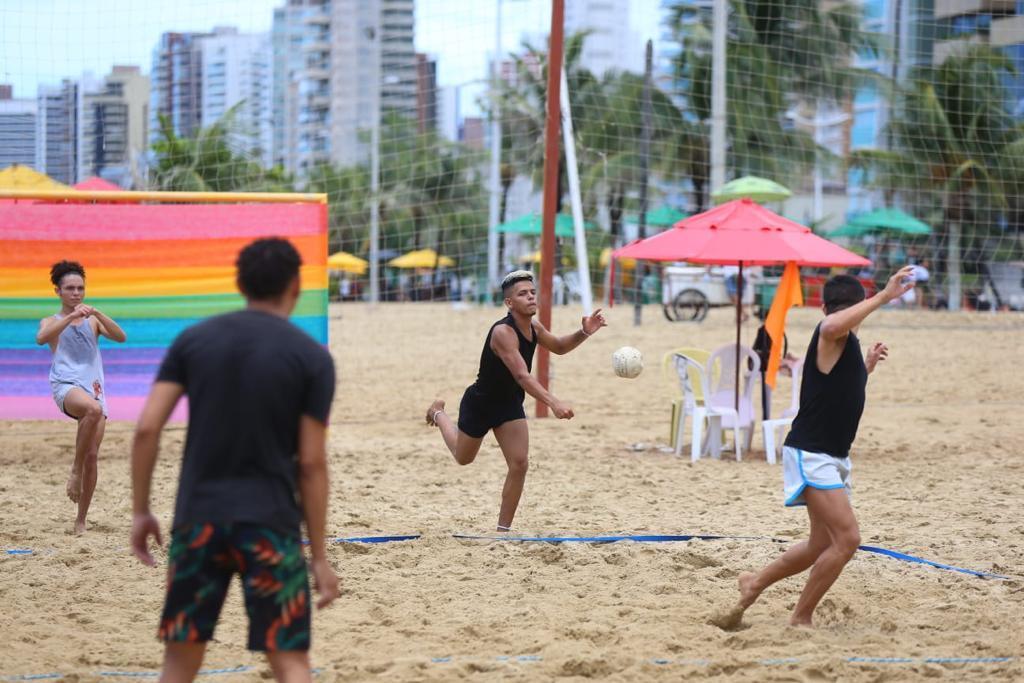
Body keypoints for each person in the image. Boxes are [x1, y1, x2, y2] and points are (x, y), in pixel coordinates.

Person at [130, 238, 339, 682]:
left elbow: (147, 428)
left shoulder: (193, 340)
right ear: (296, 285)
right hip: (270, 523)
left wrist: (141, 509)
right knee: (288, 659)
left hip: (198, 519)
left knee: (180, 660)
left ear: (240, 283)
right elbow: (310, 463)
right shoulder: (311, 358)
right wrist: (318, 554)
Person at [720, 266, 915, 628]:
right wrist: (884, 297)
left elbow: (838, 390)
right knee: (847, 540)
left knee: (819, 545)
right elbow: (830, 327)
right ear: (844, 309)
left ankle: (754, 582)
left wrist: (866, 368)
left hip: (833, 455)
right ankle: (801, 618)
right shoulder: (828, 333)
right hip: (812, 453)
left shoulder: (849, 347)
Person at [425, 270, 607, 532]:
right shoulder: (503, 332)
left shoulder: (533, 326)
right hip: (481, 403)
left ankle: (503, 532)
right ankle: (438, 413)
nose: (531, 297)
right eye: (523, 294)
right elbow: (522, 376)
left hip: (509, 403)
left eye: (532, 292)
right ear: (510, 303)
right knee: (463, 458)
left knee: (519, 463)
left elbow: (559, 346)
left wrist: (584, 332)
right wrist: (553, 402)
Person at [36, 260, 127, 534]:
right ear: (58, 291)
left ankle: (81, 520)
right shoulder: (52, 321)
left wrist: (96, 311)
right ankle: (74, 471)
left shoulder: (93, 320)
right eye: (70, 288)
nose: (76, 293)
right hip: (66, 385)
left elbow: (121, 337)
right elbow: (42, 339)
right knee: (92, 410)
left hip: (94, 388)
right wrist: (69, 317)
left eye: (80, 288)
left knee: (92, 455)